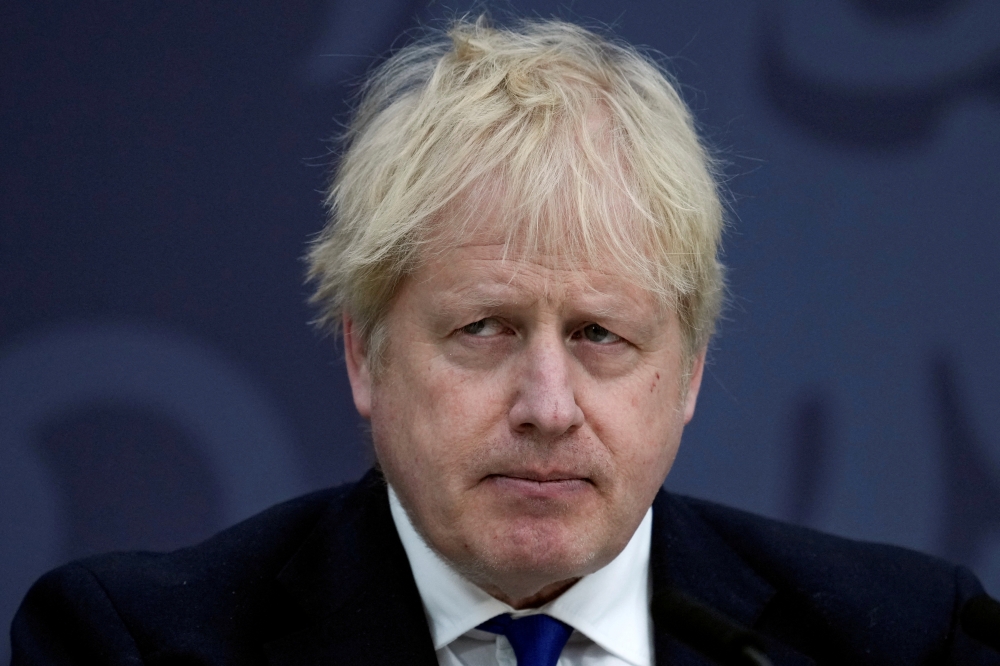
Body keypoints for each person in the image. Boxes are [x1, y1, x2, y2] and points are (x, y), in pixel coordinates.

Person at [10, 16, 998, 666]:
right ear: (365, 355)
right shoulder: (132, 645)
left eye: (602, 335)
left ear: (689, 369)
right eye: (484, 329)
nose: (548, 405)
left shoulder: (907, 642)